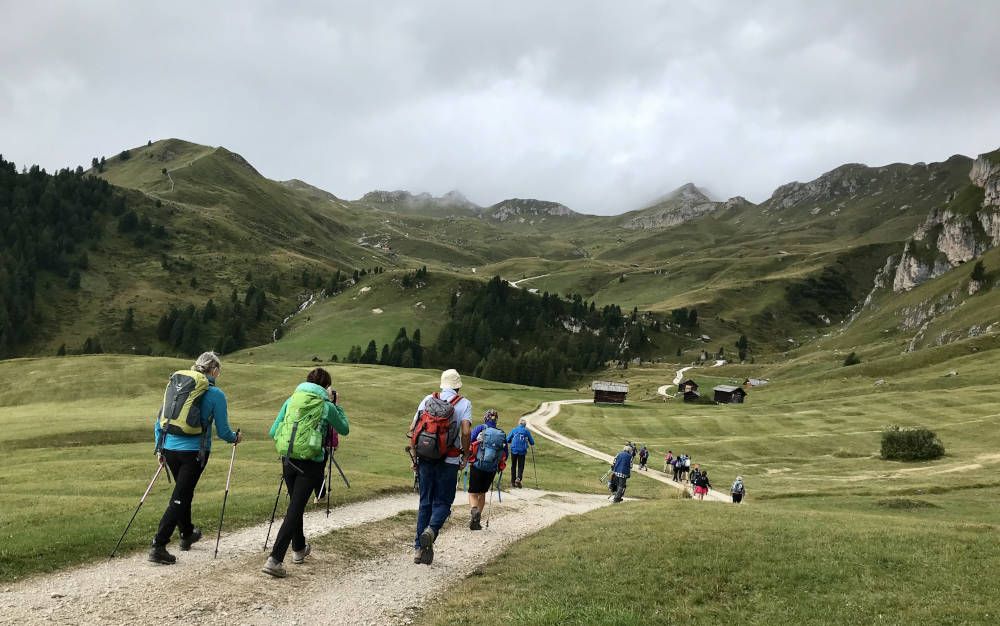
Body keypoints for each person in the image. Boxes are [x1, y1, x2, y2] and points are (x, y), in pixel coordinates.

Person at [149, 351, 242, 565]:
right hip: (195, 453)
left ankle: (186, 534)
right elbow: (223, 430)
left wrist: (160, 448)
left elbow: (160, 419)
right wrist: (235, 438)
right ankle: (159, 544)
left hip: (170, 449)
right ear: (215, 370)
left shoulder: (177, 387)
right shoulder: (216, 394)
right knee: (180, 496)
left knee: (184, 491)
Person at [262, 368, 349, 578]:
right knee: (295, 509)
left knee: (295, 504)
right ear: (326, 387)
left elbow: (273, 431)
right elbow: (344, 428)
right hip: (310, 462)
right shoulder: (326, 405)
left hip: (288, 458)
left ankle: (299, 548)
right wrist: (337, 406)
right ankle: (275, 559)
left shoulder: (292, 399)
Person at [407, 369, 472, 565]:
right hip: (450, 460)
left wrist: (414, 458)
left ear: (442, 384)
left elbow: (413, 429)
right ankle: (432, 530)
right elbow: (466, 431)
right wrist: (466, 455)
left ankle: (419, 549)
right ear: (458, 386)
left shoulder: (428, 399)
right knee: (443, 502)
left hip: (426, 458)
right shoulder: (464, 403)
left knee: (425, 502)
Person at [466, 410, 508, 530]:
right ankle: (477, 520)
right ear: (496, 420)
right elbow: (506, 454)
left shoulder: (480, 428)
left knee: (473, 493)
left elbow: (470, 441)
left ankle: (474, 512)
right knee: (482, 493)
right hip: (492, 469)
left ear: (486, 418)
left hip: (477, 465)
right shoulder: (501, 433)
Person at [506, 417, 536, 488]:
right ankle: (518, 478)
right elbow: (532, 442)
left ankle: (513, 482)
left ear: (519, 424)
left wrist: (511, 441)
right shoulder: (526, 431)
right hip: (522, 451)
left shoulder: (514, 430)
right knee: (520, 466)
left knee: (513, 466)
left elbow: (507, 439)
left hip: (514, 450)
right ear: (525, 425)